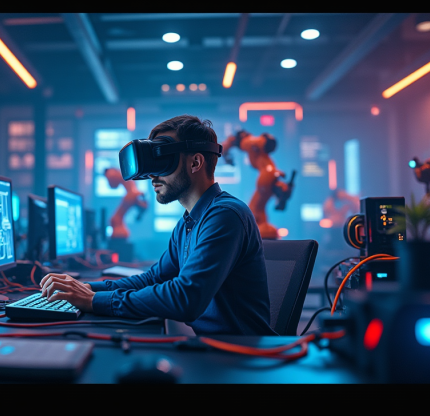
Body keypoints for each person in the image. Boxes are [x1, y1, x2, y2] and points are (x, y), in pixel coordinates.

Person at [40, 115, 277, 335]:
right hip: (211, 348)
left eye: (163, 160)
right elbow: (152, 278)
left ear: (195, 162)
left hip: (240, 357)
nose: (152, 176)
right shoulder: (189, 222)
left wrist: (93, 301)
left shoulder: (225, 215)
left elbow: (185, 298)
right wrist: (85, 288)